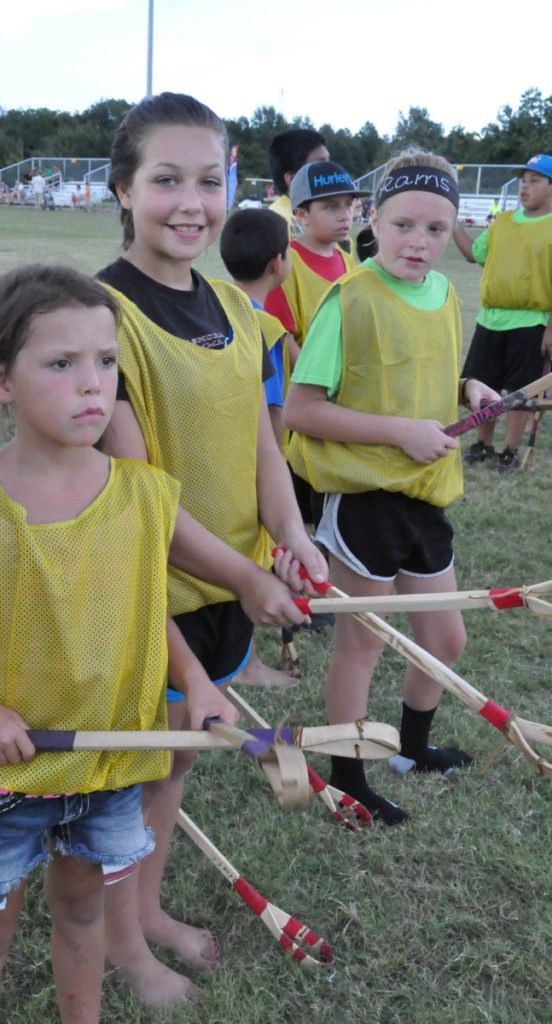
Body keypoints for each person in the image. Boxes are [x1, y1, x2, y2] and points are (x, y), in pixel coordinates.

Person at [0, 263, 239, 1024]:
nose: (93, 385)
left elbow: (153, 605)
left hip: (109, 761)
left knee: (83, 911)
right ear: (0, 379)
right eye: (61, 363)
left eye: (106, 363)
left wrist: (202, 678)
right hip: (2, 775)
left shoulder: (140, 495)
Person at [96, 92, 328, 1006]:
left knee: (175, 760)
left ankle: (142, 911)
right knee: (135, 779)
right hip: (150, 599)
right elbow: (137, 496)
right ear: (122, 189)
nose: (192, 202)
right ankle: (126, 943)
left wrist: (293, 537)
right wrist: (241, 572)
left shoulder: (234, 303)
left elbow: (261, 445)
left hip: (224, 592)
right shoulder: (102, 317)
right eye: (165, 180)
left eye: (210, 178)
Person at [284, 150, 500, 825]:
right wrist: (396, 432)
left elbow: (432, 375)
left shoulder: (442, 295)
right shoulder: (349, 299)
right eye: (403, 225)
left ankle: (412, 747)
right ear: (369, 221)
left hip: (427, 493)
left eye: (437, 230)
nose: (420, 242)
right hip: (365, 499)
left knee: (445, 638)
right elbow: (302, 408)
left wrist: (469, 387)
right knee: (365, 642)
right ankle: (349, 776)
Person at [266, 159, 367, 532]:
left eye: (348, 205)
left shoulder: (347, 259)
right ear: (301, 215)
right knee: (302, 498)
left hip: (340, 398)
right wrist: (315, 377)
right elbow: (281, 333)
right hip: (303, 402)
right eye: (329, 207)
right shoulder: (287, 262)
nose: (344, 215)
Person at [454, 153, 552, 473]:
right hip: (489, 318)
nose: (525, 187)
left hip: (531, 320)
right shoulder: (504, 223)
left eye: (534, 181)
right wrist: (451, 221)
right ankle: (483, 444)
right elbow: (473, 254)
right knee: (481, 385)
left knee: (520, 392)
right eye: (523, 181)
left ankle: (509, 451)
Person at [219, 207, 293, 449]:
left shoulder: (213, 305)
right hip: (252, 460)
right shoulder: (266, 327)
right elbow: (273, 408)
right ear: (277, 264)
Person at [267, 127, 329, 237]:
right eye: (321, 165)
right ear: (292, 179)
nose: (331, 170)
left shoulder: (329, 220)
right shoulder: (274, 222)